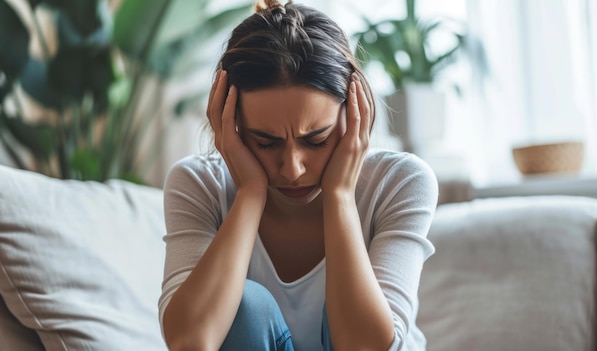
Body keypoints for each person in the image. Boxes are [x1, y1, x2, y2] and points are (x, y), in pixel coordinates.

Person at [158, 0, 438, 350]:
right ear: (231, 124)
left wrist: (339, 196)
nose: (292, 169)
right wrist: (250, 193)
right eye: (265, 142)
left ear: (354, 113)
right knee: (245, 308)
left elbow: (366, 346)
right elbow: (190, 340)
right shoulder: (199, 184)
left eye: (316, 140)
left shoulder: (401, 182)